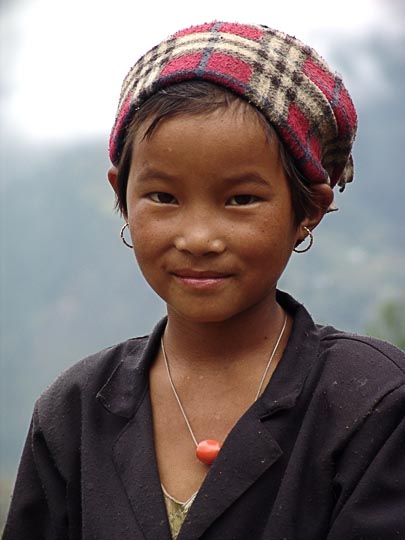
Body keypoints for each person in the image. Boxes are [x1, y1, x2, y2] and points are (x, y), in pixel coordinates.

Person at [4, 21, 405, 540]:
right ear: (122, 195)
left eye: (240, 199)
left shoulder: (373, 402)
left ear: (309, 208)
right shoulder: (74, 411)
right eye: (163, 198)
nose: (197, 238)